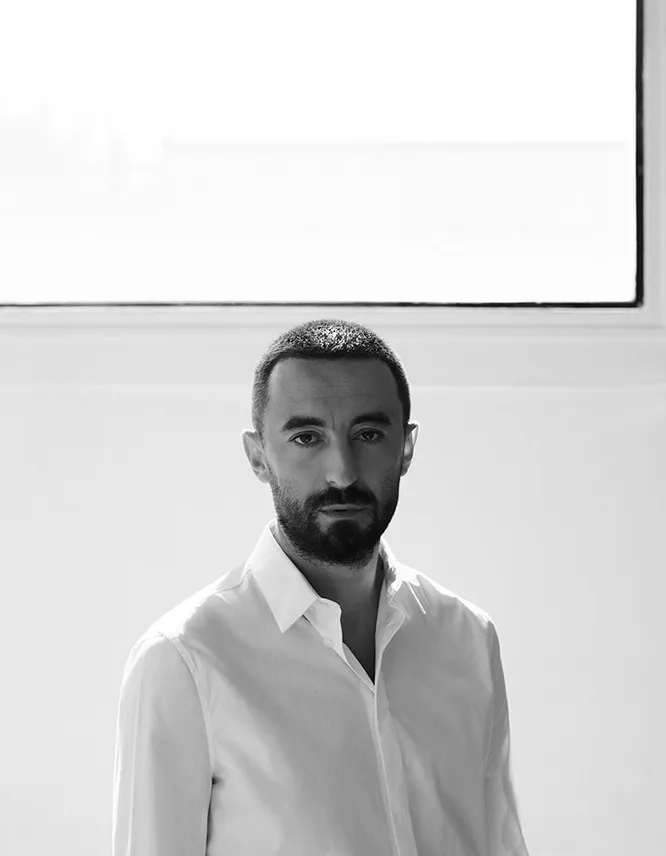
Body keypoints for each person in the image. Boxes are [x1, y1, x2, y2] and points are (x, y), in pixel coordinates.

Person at [112, 317, 530, 856]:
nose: (342, 472)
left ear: (406, 448)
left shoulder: (468, 639)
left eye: (369, 434)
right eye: (307, 438)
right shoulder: (184, 661)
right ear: (258, 457)